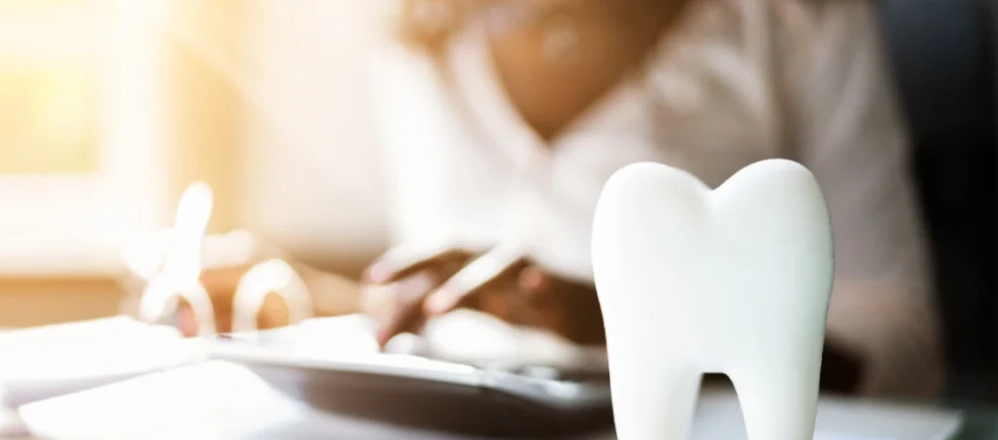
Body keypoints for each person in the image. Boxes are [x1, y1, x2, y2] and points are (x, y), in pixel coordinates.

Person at [183, 0, 943, 399]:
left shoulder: (799, 23)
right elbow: (462, 310)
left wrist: (626, 322)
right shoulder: (418, 40)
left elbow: (902, 345)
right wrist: (297, 297)